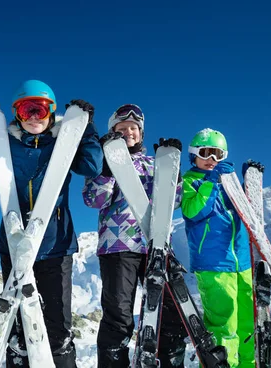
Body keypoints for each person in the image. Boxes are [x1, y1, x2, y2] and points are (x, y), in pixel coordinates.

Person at [0, 79, 102, 368]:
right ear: (17, 113)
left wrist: (86, 128)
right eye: (26, 109)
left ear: (51, 113)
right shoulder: (7, 145)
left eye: (40, 110)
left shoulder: (62, 145)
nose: (33, 117)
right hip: (13, 240)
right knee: (17, 321)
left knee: (56, 324)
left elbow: (92, 166)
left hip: (55, 244)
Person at [82, 104, 187, 368]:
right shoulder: (103, 165)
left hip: (157, 246)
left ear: (141, 133)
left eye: (133, 128)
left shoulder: (153, 164)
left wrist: (172, 169)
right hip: (118, 248)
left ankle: (170, 361)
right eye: (121, 129)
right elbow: (94, 199)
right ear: (113, 133)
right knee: (118, 315)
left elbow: (174, 201)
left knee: (170, 312)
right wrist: (107, 168)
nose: (129, 132)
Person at [181, 128, 255, 368]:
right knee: (224, 323)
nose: (212, 160)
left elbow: (246, 214)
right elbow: (193, 211)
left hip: (242, 261)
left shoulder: (227, 181)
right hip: (214, 263)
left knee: (247, 320)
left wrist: (247, 185)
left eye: (218, 155)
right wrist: (211, 183)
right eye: (206, 153)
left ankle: (247, 363)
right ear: (194, 155)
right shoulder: (191, 180)